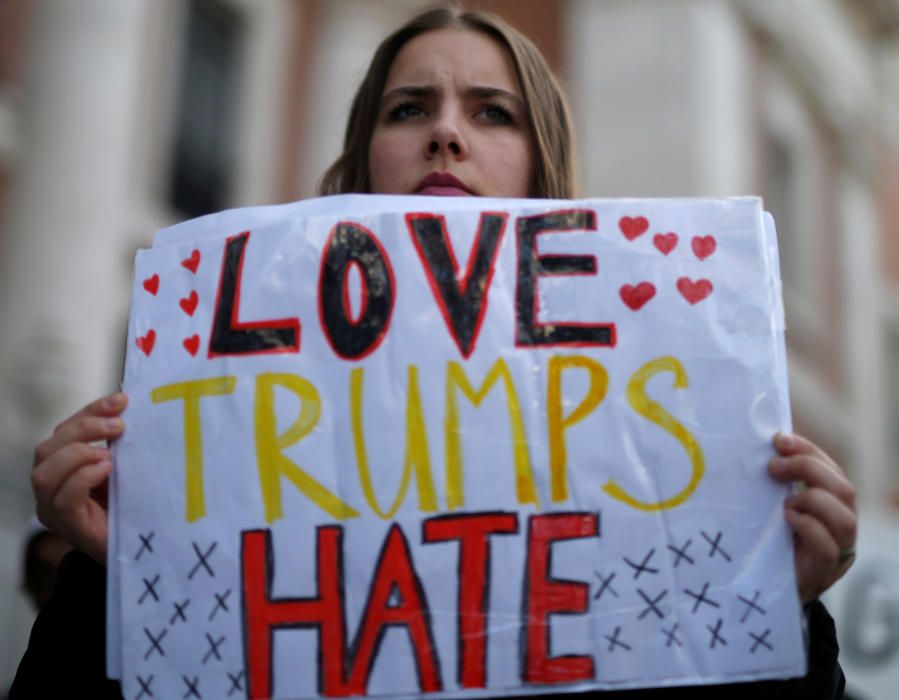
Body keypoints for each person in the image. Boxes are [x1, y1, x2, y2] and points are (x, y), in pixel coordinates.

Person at [13, 6, 856, 699]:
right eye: (408, 108)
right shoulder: (226, 420)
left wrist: (785, 613)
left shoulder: (632, 466)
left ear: (540, 171)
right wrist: (112, 572)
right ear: (360, 162)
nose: (445, 134)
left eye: (492, 111)